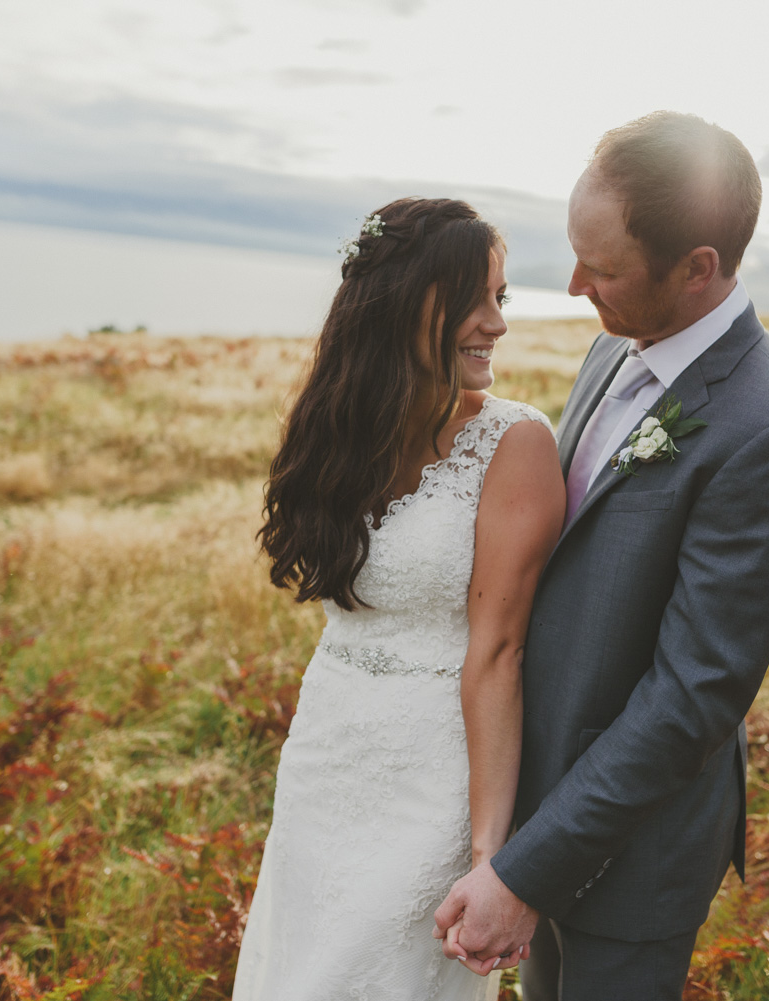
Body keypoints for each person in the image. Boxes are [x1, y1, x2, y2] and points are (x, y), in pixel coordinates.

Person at [433, 112, 769, 999]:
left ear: (698, 267)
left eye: (603, 267)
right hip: (535, 800)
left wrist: (523, 871)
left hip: (629, 848)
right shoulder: (614, 347)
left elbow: (691, 697)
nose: (575, 284)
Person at [233, 197, 566, 999]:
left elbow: (498, 651)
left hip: (434, 774)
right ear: (407, 303)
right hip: (326, 754)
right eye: (474, 299)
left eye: (502, 297)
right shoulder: (340, 429)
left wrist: (493, 854)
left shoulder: (514, 444)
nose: (496, 323)